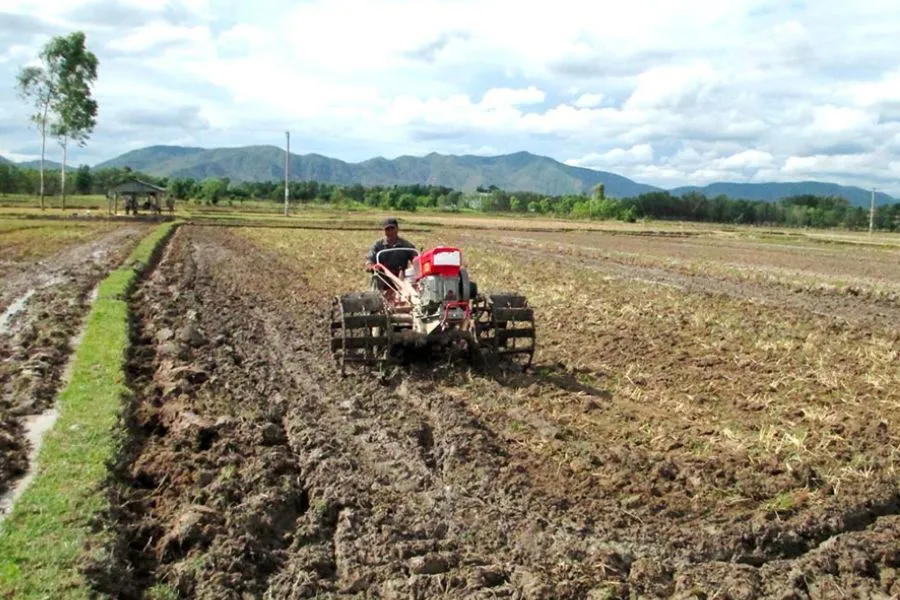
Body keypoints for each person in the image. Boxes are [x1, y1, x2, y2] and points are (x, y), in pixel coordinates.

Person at [366, 217, 417, 291]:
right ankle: (377, 298)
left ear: (397, 229)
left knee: (415, 278)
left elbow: (416, 259)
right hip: (383, 276)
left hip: (401, 276)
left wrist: (414, 266)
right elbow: (370, 260)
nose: (390, 232)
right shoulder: (377, 245)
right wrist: (372, 266)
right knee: (376, 277)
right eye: (387, 229)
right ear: (383, 231)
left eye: (392, 229)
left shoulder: (406, 245)